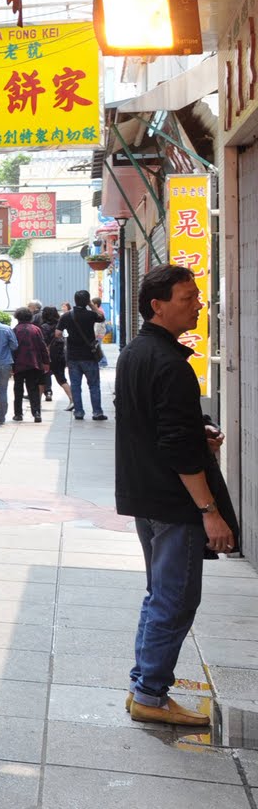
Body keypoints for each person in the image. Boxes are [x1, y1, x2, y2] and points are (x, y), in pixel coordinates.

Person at [115, 265, 235, 726]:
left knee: (159, 595)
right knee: (175, 599)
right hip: (172, 501)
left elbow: (151, 425)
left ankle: (142, 685)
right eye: (188, 298)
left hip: (145, 494)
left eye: (197, 296)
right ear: (157, 306)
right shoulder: (170, 365)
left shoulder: (135, 353)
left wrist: (194, 431)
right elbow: (176, 448)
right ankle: (150, 694)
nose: (199, 305)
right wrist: (209, 510)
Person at [59, 290, 108, 421]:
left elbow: (57, 333)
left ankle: (79, 412)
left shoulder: (66, 316)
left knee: (75, 385)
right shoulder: (91, 315)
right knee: (94, 385)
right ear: (87, 301)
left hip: (73, 356)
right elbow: (102, 317)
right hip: (89, 356)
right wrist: (91, 305)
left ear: (75, 300)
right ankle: (97, 412)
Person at [10, 307, 50, 423]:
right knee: (33, 388)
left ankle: (18, 414)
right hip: (34, 363)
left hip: (18, 364)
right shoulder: (36, 329)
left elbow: (12, 349)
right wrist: (46, 362)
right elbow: (42, 347)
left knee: (18, 389)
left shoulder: (15, 330)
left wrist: (10, 365)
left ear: (17, 317)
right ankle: (36, 413)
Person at [40, 305, 74, 410]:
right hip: (60, 356)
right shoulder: (60, 325)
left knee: (41, 380)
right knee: (61, 379)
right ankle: (72, 399)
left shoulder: (43, 327)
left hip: (47, 357)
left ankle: (37, 403)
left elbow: (42, 343)